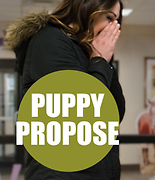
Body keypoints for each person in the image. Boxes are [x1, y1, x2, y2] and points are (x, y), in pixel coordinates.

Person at [5, 0, 125, 179]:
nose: (114, 28)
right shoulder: (50, 40)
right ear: (88, 7)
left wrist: (103, 61)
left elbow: (115, 114)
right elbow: (81, 113)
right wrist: (100, 60)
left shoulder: (88, 52)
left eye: (117, 21)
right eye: (109, 18)